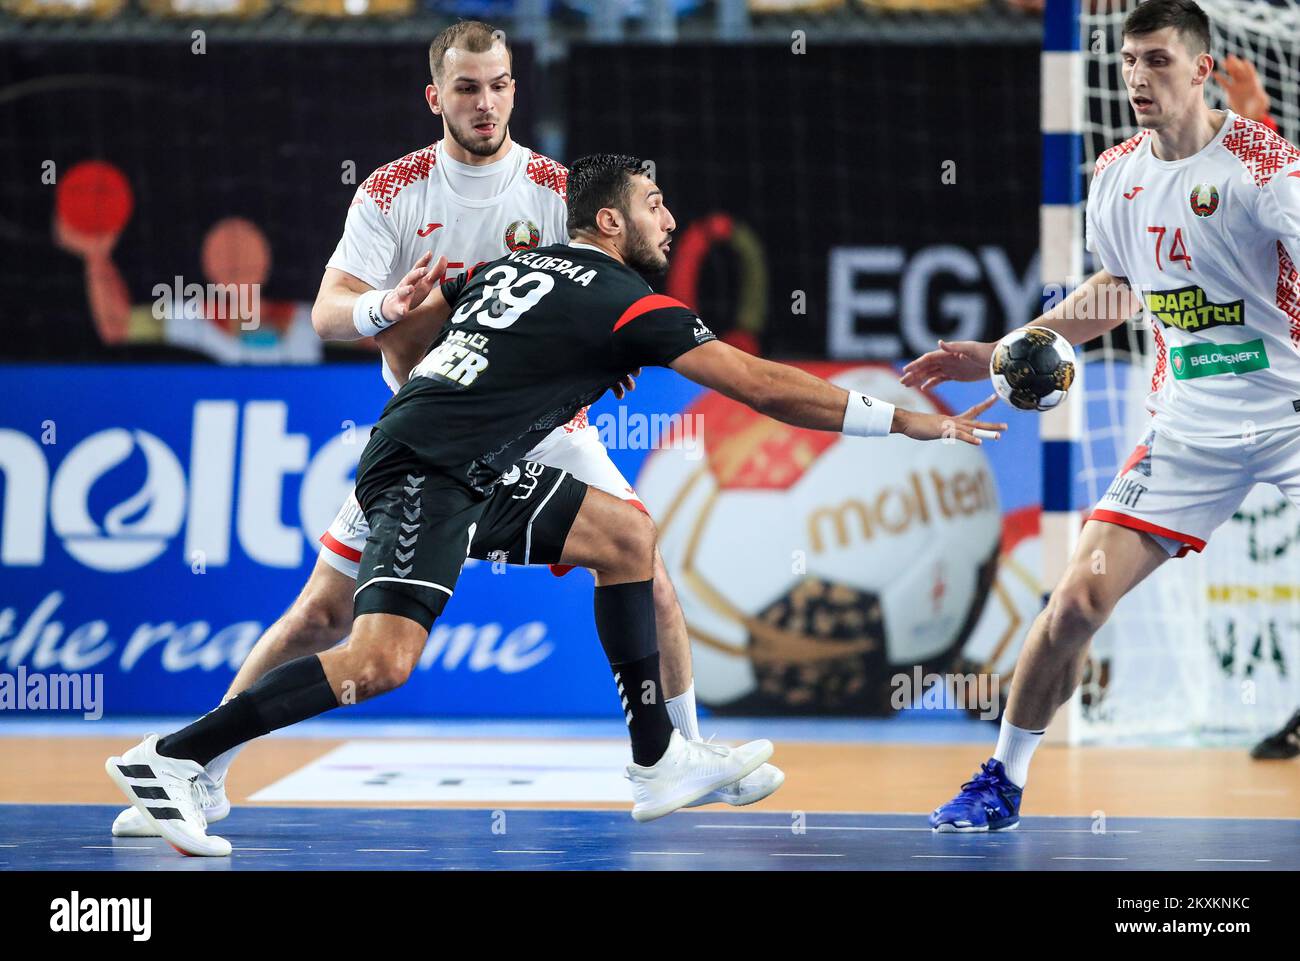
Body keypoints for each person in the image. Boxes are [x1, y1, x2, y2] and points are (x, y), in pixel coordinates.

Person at [106, 152, 1006, 856]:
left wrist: (476, 382)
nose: (672, 218)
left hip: (457, 452)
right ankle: (177, 756)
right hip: (430, 471)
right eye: (657, 205)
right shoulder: (622, 297)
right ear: (609, 220)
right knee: (377, 660)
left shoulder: (514, 268)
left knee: (627, 536)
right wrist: (910, 425)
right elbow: (759, 385)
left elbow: (419, 324)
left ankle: (657, 759)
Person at [110, 20, 777, 842]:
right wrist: (383, 308)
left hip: (546, 427)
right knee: (323, 614)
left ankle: (681, 750)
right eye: (467, 88)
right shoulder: (393, 191)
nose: (486, 102)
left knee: (643, 557)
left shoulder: (550, 186)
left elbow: (601, 292)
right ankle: (193, 769)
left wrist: (615, 348)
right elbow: (326, 312)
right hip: (434, 427)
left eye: (499, 85)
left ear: (514, 89)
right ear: (436, 97)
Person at [904, 0, 1300, 830]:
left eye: (1157, 60)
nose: (1136, 78)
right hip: (1187, 425)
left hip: (1291, 409)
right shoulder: (1116, 175)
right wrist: (1007, 347)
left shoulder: (1262, 164)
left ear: (1201, 69)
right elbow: (1117, 293)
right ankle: (1001, 781)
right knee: (1078, 599)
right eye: (1128, 62)